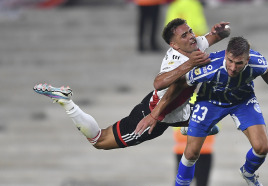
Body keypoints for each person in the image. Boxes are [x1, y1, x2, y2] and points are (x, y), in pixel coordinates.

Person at [135, 36, 268, 186]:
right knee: (190, 153)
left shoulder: (256, 62)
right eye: (230, 61)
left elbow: (267, 70)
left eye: (239, 63)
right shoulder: (210, 66)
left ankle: (248, 173)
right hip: (209, 102)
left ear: (247, 59)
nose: (233, 67)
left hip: (242, 101)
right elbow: (178, 85)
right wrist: (155, 113)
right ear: (226, 55)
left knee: (262, 147)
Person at [33, 18, 230, 151]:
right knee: (100, 141)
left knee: (213, 120)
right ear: (174, 45)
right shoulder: (175, 60)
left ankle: (188, 125)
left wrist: (221, 30)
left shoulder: (195, 44)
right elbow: (159, 82)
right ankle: (67, 103)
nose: (191, 36)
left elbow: (219, 35)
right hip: (153, 115)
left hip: (176, 110)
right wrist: (190, 64)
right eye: (184, 35)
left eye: (190, 31)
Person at [173, 93, 215, 186]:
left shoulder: (180, 100)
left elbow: (176, 127)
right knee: (201, 185)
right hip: (203, 149)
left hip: (184, 149)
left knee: (182, 182)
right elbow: (215, 126)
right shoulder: (210, 100)